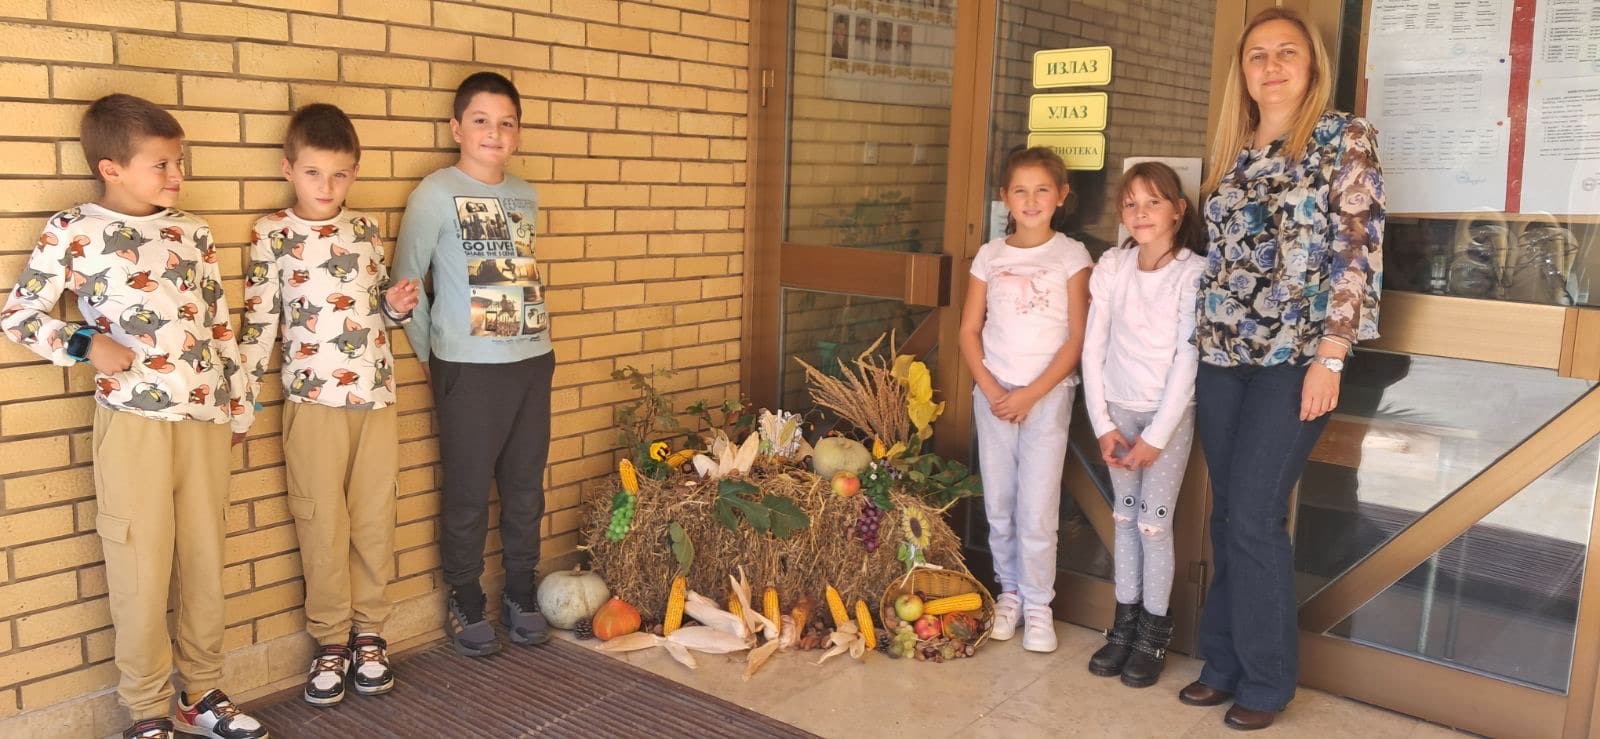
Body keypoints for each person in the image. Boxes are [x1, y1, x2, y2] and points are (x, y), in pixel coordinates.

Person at [0, 94, 266, 739]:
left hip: (203, 418)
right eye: (162, 165)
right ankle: (146, 710)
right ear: (111, 166)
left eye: (180, 163)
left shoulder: (191, 231)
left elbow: (218, 322)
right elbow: (19, 315)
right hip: (133, 421)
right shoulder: (74, 230)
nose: (177, 177)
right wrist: (87, 344)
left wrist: (237, 404)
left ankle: (201, 691)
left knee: (204, 558)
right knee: (140, 564)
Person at [1178, 8, 1384, 731]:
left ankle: (1266, 679)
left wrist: (1331, 354)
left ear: (1312, 65)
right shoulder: (1233, 145)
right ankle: (1223, 661)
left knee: (1258, 515)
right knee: (1230, 512)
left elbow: (1356, 253)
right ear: (1243, 70)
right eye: (1258, 54)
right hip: (1223, 356)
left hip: (1294, 359)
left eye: (1286, 52)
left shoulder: (1341, 136)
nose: (1271, 66)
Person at [238, 104, 420, 707]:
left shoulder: (366, 229)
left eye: (340, 175)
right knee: (321, 522)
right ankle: (330, 641)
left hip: (375, 398)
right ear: (289, 169)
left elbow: (378, 315)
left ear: (355, 172)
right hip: (311, 401)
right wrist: (240, 400)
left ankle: (370, 633)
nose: (327, 187)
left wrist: (395, 305)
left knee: (373, 518)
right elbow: (261, 322)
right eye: (314, 173)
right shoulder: (271, 234)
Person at [392, 71, 555, 657]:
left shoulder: (526, 195)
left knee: (523, 487)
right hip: (466, 366)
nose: (494, 132)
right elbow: (406, 282)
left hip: (533, 361)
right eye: (481, 121)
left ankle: (520, 589)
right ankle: (464, 598)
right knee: (465, 491)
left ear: (518, 133)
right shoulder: (434, 194)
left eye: (506, 122)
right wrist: (431, 356)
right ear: (456, 127)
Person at [959, 146, 1092, 653]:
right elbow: (970, 331)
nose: (1031, 199)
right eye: (1020, 190)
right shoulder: (991, 255)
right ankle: (1009, 591)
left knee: (1037, 507)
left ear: (1060, 196)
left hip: (1047, 397)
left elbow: (1077, 338)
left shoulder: (1071, 255)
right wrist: (994, 390)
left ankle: (1039, 604)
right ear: (1004, 198)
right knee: (1001, 503)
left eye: (1042, 189)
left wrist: (1031, 394)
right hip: (993, 396)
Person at [1081, 162, 1207, 688]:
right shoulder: (1113, 265)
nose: (1140, 213)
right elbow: (1093, 345)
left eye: (1153, 202)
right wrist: (1102, 424)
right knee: (1124, 521)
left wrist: (1155, 438)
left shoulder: (1193, 272)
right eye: (1131, 203)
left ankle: (1154, 633)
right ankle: (1124, 624)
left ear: (1178, 209)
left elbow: (1187, 358)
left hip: (1165, 420)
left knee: (1154, 524)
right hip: (1117, 410)